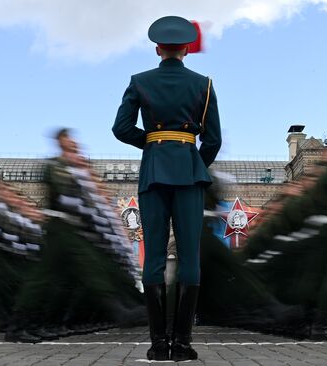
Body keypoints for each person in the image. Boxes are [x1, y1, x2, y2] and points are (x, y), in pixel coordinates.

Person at [112, 16, 222, 361]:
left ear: (158, 49)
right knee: (189, 257)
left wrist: (154, 144)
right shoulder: (203, 84)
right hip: (190, 175)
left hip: (154, 172)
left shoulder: (139, 81)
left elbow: (121, 128)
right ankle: (183, 345)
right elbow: (213, 140)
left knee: (154, 256)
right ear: (187, 50)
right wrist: (191, 160)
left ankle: (159, 345)